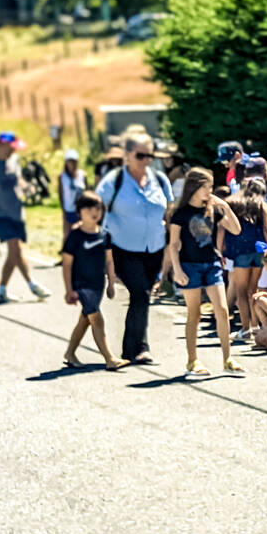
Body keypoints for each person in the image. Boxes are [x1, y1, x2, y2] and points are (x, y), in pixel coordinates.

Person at [96, 137, 173, 364]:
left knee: (143, 295)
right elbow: (97, 211)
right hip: (123, 247)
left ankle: (132, 347)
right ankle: (139, 348)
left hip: (154, 248)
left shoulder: (159, 179)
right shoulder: (114, 181)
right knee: (140, 294)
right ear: (127, 155)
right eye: (140, 155)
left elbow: (169, 210)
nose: (145, 160)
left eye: (149, 155)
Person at [164, 166, 241, 378]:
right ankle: (192, 360)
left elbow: (236, 229)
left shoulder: (213, 210)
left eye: (210, 187)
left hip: (212, 264)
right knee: (194, 314)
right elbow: (173, 244)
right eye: (206, 187)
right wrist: (176, 270)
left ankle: (228, 359)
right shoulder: (181, 214)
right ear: (195, 187)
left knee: (223, 310)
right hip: (189, 266)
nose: (210, 191)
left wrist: (224, 204)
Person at [0, 132, 47, 303]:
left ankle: (18, 288)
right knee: (14, 249)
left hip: (17, 213)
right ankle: (17, 288)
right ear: (0, 146)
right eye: (12, 148)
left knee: (16, 251)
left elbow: (18, 180)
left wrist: (28, 188)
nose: (14, 152)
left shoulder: (13, 162)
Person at [58, 193, 123, 370]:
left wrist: (111, 282)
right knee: (97, 319)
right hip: (81, 285)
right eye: (89, 208)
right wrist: (69, 289)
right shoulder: (75, 236)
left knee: (85, 320)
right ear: (79, 212)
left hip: (98, 285)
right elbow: (67, 265)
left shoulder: (104, 235)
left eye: (98, 208)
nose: (94, 212)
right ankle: (110, 359)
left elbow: (109, 260)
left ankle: (70, 353)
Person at [226, 176, 267, 340]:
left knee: (240, 291)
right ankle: (255, 326)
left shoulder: (234, 204)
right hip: (258, 250)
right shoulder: (263, 206)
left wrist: (221, 250)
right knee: (253, 290)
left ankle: (246, 328)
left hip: (240, 250)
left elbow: (223, 228)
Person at [57, 150, 87, 215]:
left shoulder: (83, 175)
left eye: (74, 161)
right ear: (66, 162)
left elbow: (87, 192)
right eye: (70, 161)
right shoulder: (62, 177)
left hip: (81, 210)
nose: (72, 163)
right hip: (68, 209)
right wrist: (63, 210)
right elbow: (61, 194)